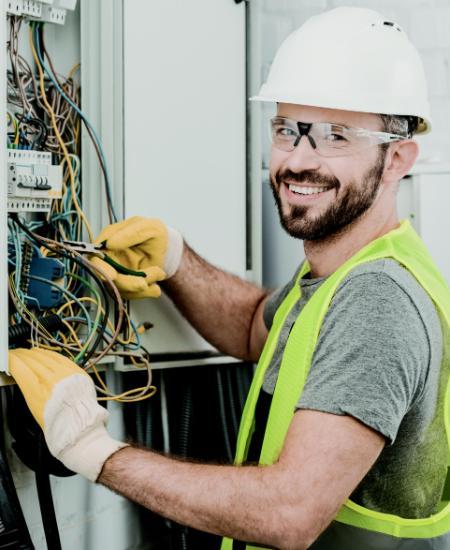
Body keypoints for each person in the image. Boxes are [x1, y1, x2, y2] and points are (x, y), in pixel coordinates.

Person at [8, 7, 450, 550]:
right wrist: (175, 260)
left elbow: (288, 512)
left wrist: (96, 451)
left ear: (398, 158)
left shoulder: (377, 300)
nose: (298, 160)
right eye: (288, 129)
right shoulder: (338, 277)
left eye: (336, 136)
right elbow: (250, 327)